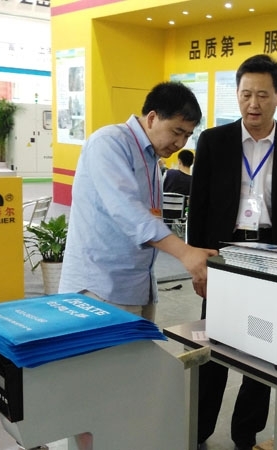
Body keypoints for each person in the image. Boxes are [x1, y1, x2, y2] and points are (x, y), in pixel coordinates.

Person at [187, 54, 277, 450]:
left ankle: (246, 434)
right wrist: (198, 262)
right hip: (224, 254)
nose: (253, 104)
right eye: (245, 94)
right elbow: (198, 206)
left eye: (262, 95)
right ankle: (199, 430)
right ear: (237, 95)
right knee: (216, 342)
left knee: (263, 345)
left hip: (274, 255)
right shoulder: (214, 141)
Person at [59, 81, 217, 321]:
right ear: (152, 118)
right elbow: (127, 211)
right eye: (176, 132)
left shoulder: (152, 156)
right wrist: (185, 253)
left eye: (187, 135)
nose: (180, 143)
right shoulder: (109, 143)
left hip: (137, 287)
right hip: (99, 288)